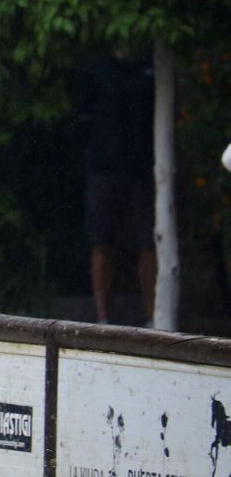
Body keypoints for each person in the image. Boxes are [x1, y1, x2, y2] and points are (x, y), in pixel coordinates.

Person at [77, 48, 156, 325]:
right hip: (103, 168)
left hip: (141, 169)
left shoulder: (149, 68)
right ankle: (102, 317)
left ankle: (153, 317)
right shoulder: (96, 70)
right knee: (101, 241)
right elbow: (83, 120)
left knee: (148, 241)